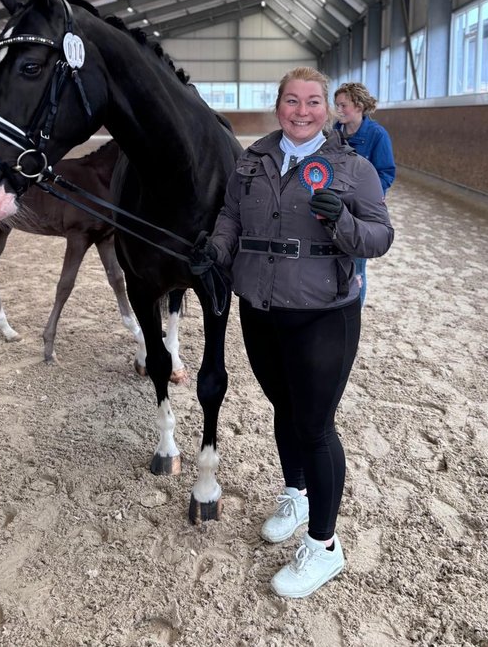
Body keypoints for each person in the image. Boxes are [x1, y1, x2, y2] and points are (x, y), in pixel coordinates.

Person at [190, 67, 394, 598]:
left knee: (316, 425)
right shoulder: (250, 161)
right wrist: (216, 249)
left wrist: (342, 223)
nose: (301, 111)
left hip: (324, 313)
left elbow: (380, 237)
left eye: (312, 102)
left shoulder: (354, 168)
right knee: (284, 406)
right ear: (278, 104)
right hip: (260, 308)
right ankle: (296, 494)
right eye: (291, 101)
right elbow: (231, 218)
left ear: (327, 109)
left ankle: (325, 546)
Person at [332, 83, 395, 307]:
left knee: (357, 267)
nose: (338, 110)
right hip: (336, 206)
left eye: (343, 105)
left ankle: (354, 310)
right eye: (336, 105)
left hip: (361, 210)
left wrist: (373, 195)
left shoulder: (377, 135)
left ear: (358, 106)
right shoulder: (334, 132)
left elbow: (386, 171)